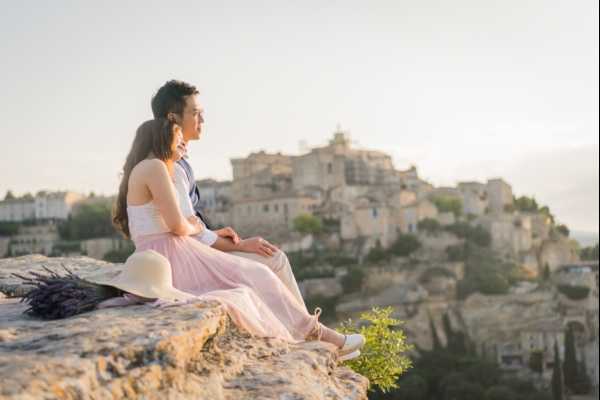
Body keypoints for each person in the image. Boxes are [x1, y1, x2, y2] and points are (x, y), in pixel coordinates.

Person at [112, 119, 364, 359]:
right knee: (256, 276)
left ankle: (315, 333)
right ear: (163, 138)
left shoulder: (146, 168)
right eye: (178, 139)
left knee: (255, 276)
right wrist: (192, 225)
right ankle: (316, 334)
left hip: (169, 252)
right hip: (172, 254)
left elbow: (169, 223)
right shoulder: (155, 167)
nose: (183, 145)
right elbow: (178, 225)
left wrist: (193, 227)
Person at [150, 80, 306, 309]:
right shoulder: (170, 166)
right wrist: (240, 245)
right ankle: (311, 333)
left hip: (187, 255)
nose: (202, 120)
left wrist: (218, 236)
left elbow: (188, 225)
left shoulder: (170, 161)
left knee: (272, 260)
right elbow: (186, 230)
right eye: (195, 113)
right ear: (173, 118)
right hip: (187, 262)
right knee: (275, 260)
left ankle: (307, 331)